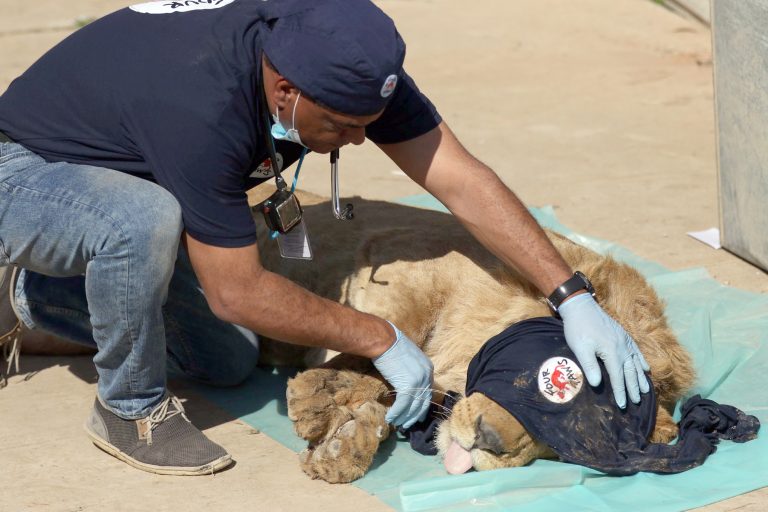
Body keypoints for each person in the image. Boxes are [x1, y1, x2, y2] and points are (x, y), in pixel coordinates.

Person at [0, 0, 649, 475]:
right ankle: (128, 409)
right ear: (284, 89)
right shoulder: (200, 104)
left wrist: (571, 295)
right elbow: (236, 291)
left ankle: (34, 296)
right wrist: (380, 337)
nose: (362, 139)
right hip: (23, 172)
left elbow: (460, 178)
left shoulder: (341, 59)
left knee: (226, 359)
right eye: (342, 126)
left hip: (120, 168)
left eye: (370, 122)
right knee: (139, 222)